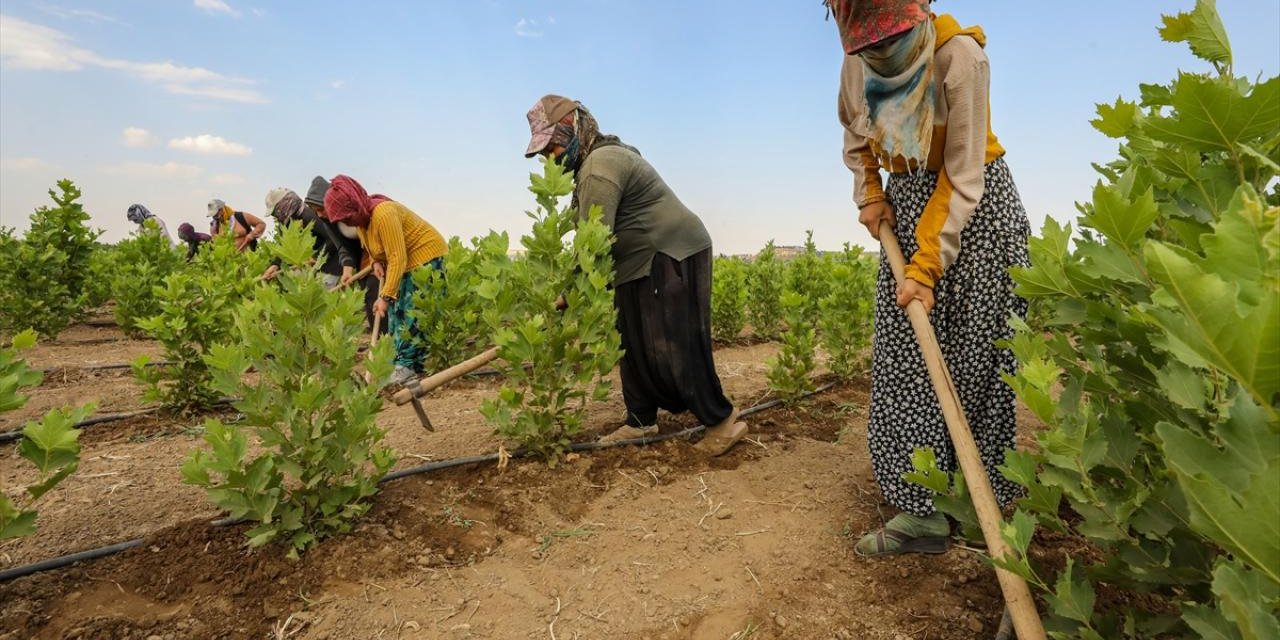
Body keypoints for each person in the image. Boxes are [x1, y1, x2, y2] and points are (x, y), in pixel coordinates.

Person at [831, 0, 1030, 556]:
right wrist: (871, 191)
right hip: (909, 199)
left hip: (976, 211)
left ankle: (976, 499)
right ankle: (922, 511)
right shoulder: (856, 60)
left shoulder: (959, 57)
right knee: (906, 360)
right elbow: (855, 132)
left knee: (975, 357)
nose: (877, 53)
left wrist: (926, 266)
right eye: (868, 46)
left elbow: (964, 173)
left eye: (887, 41)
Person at [523, 94, 747, 456]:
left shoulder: (600, 165)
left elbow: (593, 242)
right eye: (545, 154)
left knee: (675, 343)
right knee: (632, 344)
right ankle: (640, 421)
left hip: (668, 251)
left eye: (554, 147)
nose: (552, 159)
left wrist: (569, 293)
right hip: (636, 261)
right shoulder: (593, 163)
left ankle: (722, 421)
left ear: (576, 129)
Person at [324, 175, 448, 386]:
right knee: (396, 314)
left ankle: (407, 367)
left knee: (410, 312)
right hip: (403, 260)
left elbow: (397, 257)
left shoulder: (383, 213)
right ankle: (402, 365)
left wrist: (385, 296)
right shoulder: (363, 220)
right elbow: (374, 246)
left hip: (424, 257)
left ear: (354, 207)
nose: (346, 222)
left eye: (347, 217)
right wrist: (375, 262)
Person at [304, 176, 384, 335]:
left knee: (379, 293)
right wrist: (347, 268)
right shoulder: (329, 221)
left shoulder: (360, 209)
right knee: (368, 297)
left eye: (320, 209)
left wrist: (379, 258)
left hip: (381, 253)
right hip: (364, 258)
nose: (319, 215)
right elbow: (343, 245)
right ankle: (382, 345)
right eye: (315, 211)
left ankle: (389, 343)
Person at [262, 187, 358, 288]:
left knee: (324, 297)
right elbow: (285, 247)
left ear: (284, 205)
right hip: (316, 267)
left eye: (275, 212)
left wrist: (315, 256)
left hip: (332, 265)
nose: (275, 216)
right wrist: (275, 265)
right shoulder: (287, 224)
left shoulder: (309, 215)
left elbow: (333, 239)